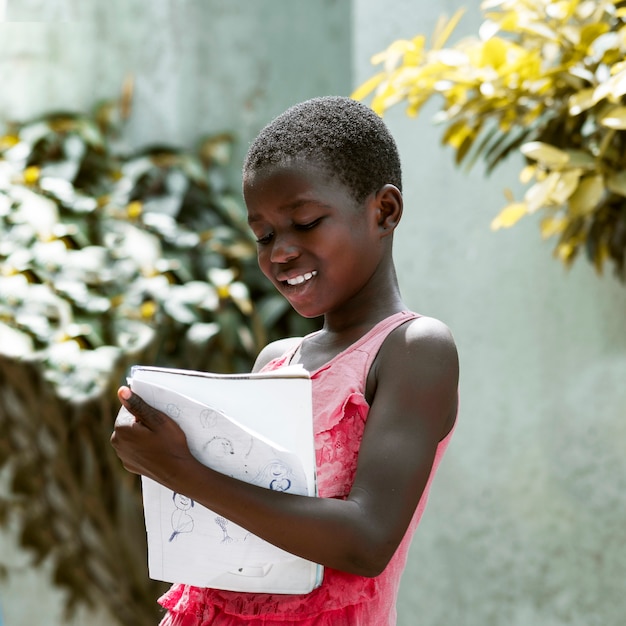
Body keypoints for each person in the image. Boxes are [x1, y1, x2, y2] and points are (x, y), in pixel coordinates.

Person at [111, 95, 459, 625]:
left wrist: (182, 471)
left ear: (383, 211)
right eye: (264, 235)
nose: (280, 253)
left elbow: (366, 541)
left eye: (306, 222)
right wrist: (159, 452)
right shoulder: (278, 360)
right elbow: (239, 528)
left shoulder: (414, 348)